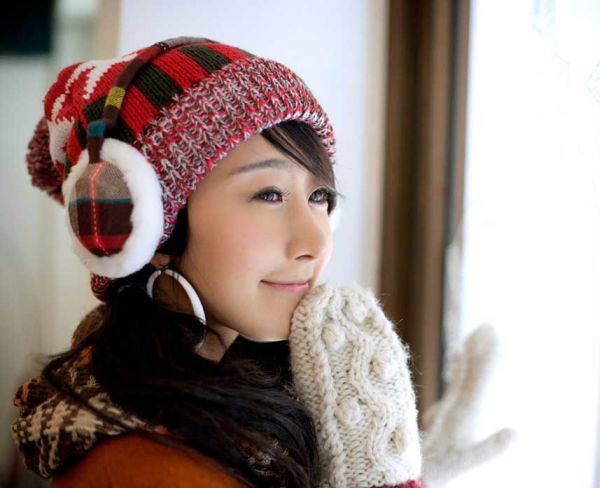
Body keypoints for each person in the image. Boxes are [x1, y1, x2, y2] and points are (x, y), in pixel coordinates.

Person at [10, 36, 427, 488]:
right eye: (269, 194)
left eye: (319, 196)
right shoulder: (152, 468)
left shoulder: (243, 392)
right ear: (141, 226)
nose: (315, 241)